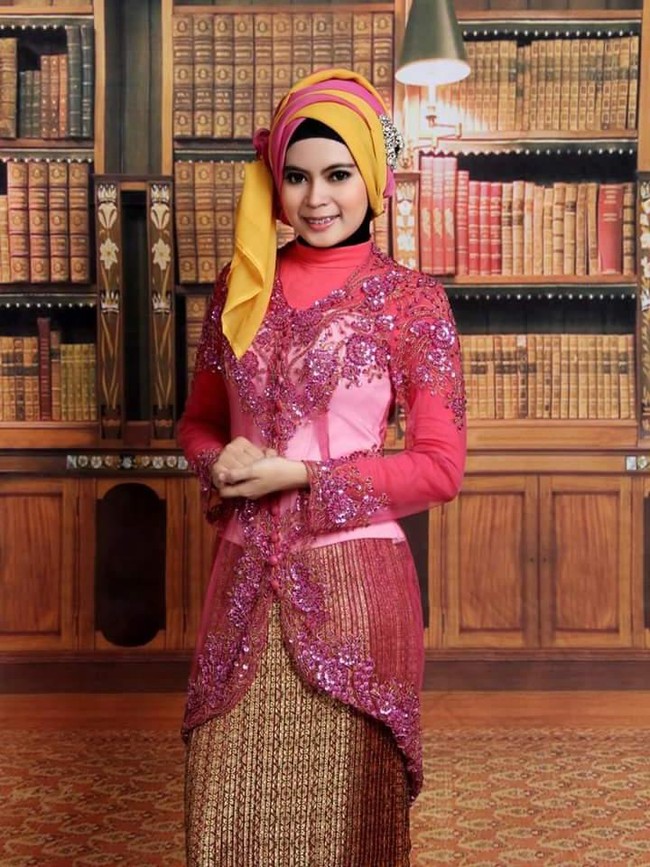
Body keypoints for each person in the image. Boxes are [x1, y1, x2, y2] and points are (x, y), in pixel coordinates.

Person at [178, 67, 467, 866]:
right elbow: (199, 423)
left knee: (349, 826)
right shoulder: (240, 285)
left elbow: (440, 467)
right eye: (297, 177)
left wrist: (305, 476)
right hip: (242, 583)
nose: (316, 199)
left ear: (372, 176)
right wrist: (219, 460)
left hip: (357, 591)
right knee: (224, 822)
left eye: (338, 175)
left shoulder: (412, 301)